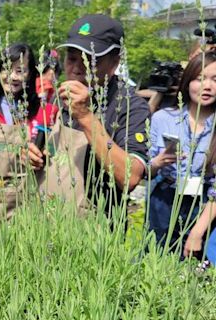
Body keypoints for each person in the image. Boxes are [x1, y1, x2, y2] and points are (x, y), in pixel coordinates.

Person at [27, 14, 150, 212]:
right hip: (44, 221)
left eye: (88, 61)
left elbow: (131, 177)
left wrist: (85, 116)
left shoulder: (130, 106)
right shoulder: (57, 96)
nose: (76, 69)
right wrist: (35, 154)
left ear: (115, 62)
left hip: (93, 230)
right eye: (72, 58)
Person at [0, 43, 58, 224]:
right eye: (6, 69)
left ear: (32, 74)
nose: (12, 77)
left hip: (24, 208)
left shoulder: (46, 111)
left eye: (20, 71)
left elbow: (56, 152)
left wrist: (43, 154)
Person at [149, 52, 216, 253]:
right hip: (164, 198)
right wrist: (157, 163)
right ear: (187, 82)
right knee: (156, 258)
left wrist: (197, 232)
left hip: (203, 204)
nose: (207, 86)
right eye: (200, 78)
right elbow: (145, 170)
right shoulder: (163, 118)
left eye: (215, 79)